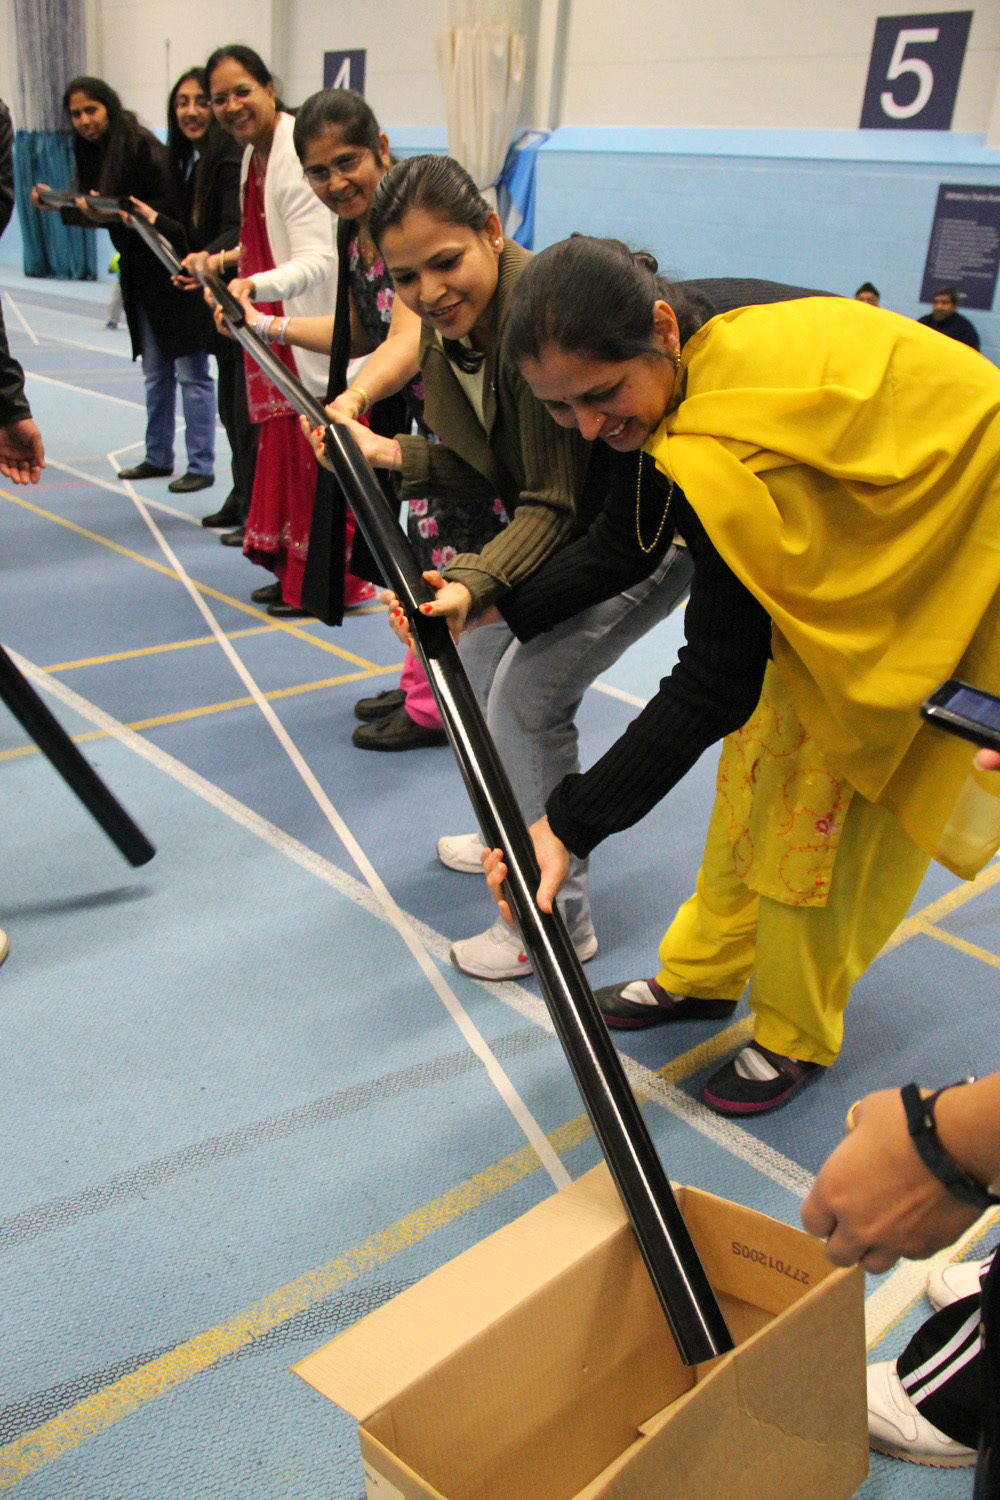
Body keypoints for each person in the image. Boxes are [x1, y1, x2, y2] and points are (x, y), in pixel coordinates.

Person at [480, 233, 1000, 1109]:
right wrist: (488, 599)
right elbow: (627, 537)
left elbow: (714, 675)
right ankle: (706, 971)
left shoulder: (724, 439)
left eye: (602, 397)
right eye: (563, 411)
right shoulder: (676, 352)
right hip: (848, 544)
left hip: (945, 553)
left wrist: (567, 826)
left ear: (657, 328)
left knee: (823, 807)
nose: (593, 428)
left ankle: (795, 1030)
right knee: (755, 771)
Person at [321, 159, 693, 976]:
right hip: (580, 530)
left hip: (646, 530)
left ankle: (555, 919)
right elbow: (503, 469)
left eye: (446, 261)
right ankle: (509, 839)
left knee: (529, 697)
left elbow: (554, 502)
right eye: (407, 275)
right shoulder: (449, 333)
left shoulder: (540, 322)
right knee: (479, 657)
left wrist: (470, 585)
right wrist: (394, 454)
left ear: (491, 230)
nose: (429, 290)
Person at [244, 87, 420, 626]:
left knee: (456, 553)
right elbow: (362, 329)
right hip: (426, 410)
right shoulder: (355, 227)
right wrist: (267, 324)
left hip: (475, 405)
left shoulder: (413, 214)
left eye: (348, 163)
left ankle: (431, 702)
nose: (336, 183)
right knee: (424, 550)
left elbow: (411, 338)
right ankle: (420, 689)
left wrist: (349, 400)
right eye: (318, 172)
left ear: (380, 148)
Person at [203, 45, 340, 617]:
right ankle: (294, 573)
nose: (232, 106)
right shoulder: (253, 156)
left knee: (318, 467)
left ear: (269, 88)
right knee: (286, 461)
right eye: (221, 98)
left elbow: (317, 258)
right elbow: (268, 237)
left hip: (309, 332)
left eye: (242, 92)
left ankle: (330, 581)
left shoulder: (292, 153)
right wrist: (225, 261)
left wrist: (253, 290)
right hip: (277, 336)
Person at [32, 78, 218, 491]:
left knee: (192, 374)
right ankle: (158, 456)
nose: (84, 121)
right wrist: (56, 202)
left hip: (175, 271)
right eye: (76, 114)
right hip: (140, 277)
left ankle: (202, 465)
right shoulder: (94, 153)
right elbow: (100, 210)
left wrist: (116, 212)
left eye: (91, 111)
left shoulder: (139, 145)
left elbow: (166, 215)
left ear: (109, 108)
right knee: (155, 373)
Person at [158, 68, 255, 524]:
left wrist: (209, 259)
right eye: (183, 103)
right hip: (215, 303)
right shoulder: (199, 163)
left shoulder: (232, 157)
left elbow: (237, 232)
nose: (192, 111)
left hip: (241, 299)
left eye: (202, 101)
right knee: (230, 410)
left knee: (244, 414)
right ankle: (242, 498)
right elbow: (200, 234)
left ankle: (252, 505)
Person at [919, 286, 981, 351]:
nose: (939, 307)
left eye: (944, 303)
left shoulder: (965, 329)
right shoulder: (923, 323)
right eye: (936, 302)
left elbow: (971, 355)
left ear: (954, 306)